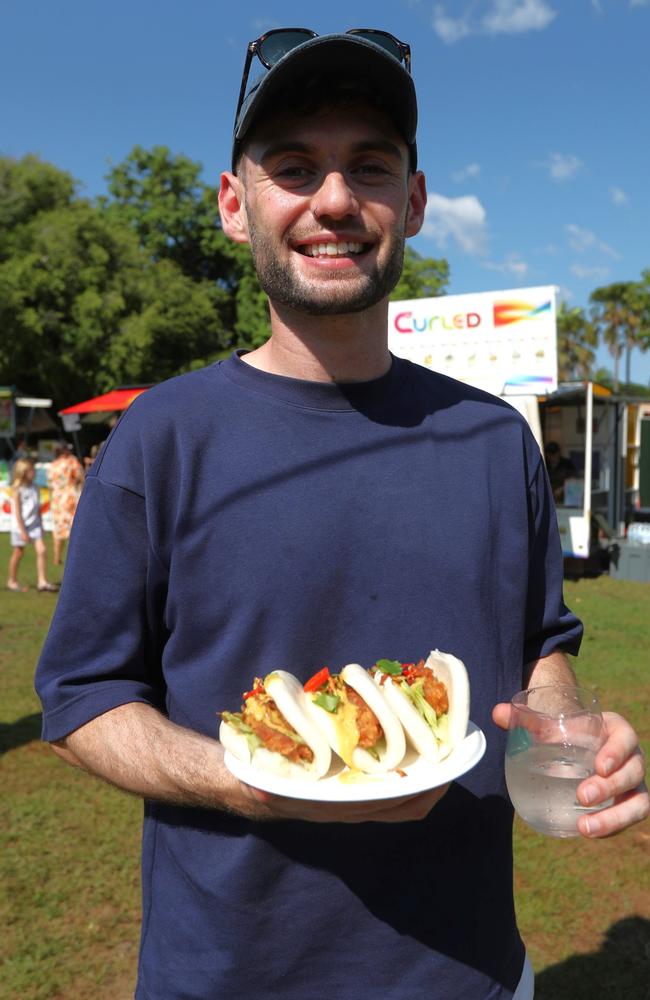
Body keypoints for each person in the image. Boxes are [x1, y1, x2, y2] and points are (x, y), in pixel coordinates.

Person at [35, 28, 648, 1000]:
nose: (331, 201)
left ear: (410, 200)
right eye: (293, 167)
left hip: (471, 975)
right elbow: (82, 700)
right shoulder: (162, 439)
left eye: (367, 165)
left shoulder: (495, 441)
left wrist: (569, 730)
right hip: (228, 977)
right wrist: (254, 777)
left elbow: (538, 647)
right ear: (236, 206)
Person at [7, 457, 57, 592]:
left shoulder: (35, 487)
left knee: (42, 550)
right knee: (18, 553)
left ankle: (42, 581)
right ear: (23, 472)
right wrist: (23, 531)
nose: (34, 472)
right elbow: (17, 513)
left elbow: (37, 509)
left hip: (34, 526)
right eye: (31, 470)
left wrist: (41, 526)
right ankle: (12, 580)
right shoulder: (17, 490)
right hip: (20, 527)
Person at [47, 442, 84, 565]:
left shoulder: (53, 465)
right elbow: (80, 476)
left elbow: (50, 484)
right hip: (70, 497)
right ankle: (72, 558)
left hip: (57, 500)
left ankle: (57, 557)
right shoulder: (72, 461)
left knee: (58, 529)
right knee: (72, 528)